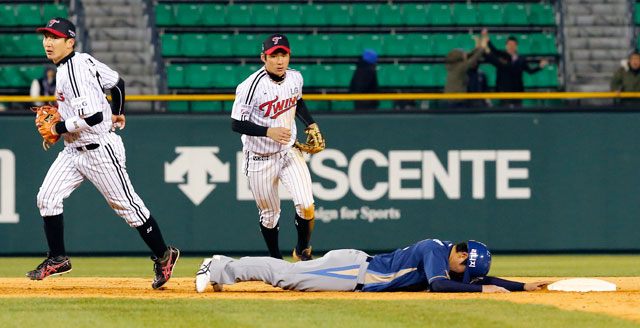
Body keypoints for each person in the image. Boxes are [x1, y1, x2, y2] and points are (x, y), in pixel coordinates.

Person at [28, 17, 179, 289]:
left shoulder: (74, 72)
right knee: (47, 198)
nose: (47, 43)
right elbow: (117, 82)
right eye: (46, 37)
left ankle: (164, 255)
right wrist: (119, 112)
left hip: (98, 150)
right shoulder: (82, 61)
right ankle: (57, 258)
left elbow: (96, 116)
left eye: (54, 38)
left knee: (129, 208)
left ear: (69, 42)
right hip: (73, 150)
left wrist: (59, 126)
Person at [230, 34, 322, 261]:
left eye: (284, 55)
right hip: (260, 156)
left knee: (306, 204)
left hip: (289, 151)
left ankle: (302, 250)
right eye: (274, 55)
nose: (280, 60)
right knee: (270, 215)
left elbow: (297, 100)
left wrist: (310, 123)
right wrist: (267, 131)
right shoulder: (249, 86)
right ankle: (275, 260)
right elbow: (235, 123)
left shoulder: (295, 78)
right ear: (264, 57)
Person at [195, 239, 552, 293]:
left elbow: (483, 277)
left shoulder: (451, 257)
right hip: (352, 272)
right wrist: (481, 289)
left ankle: (225, 270)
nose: (469, 276)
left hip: (356, 272)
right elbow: (442, 285)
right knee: (287, 276)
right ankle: (221, 266)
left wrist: (519, 286)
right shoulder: (434, 250)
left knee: (287, 275)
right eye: (467, 269)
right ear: (458, 254)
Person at [482, 29, 548, 107]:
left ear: (517, 46)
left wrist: (540, 67)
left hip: (517, 91)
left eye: (513, 45)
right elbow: (494, 50)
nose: (511, 47)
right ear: (506, 46)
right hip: (503, 91)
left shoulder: (521, 59)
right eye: (509, 45)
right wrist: (486, 38)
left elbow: (530, 71)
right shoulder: (502, 55)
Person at [443, 34, 489, 108]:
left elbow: (469, 54)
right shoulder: (459, 67)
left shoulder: (453, 65)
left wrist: (477, 48)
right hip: (455, 102)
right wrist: (482, 48)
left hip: (451, 101)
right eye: (462, 54)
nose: (465, 54)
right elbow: (473, 59)